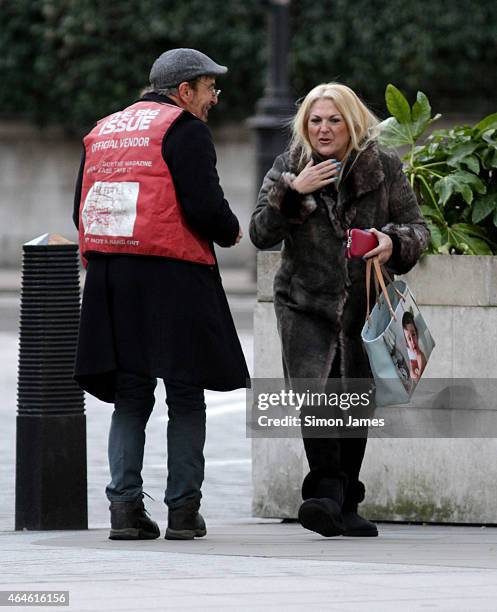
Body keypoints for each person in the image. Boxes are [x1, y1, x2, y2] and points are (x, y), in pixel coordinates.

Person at [73, 48, 250, 541]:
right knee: (186, 393)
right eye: (210, 87)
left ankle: (124, 511)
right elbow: (201, 202)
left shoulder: (104, 130)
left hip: (112, 277)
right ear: (184, 90)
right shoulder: (185, 129)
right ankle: (182, 512)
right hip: (173, 276)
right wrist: (230, 228)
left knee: (131, 396)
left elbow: (79, 209)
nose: (215, 97)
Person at [249, 82, 429, 538]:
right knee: (319, 401)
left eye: (333, 120)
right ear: (303, 126)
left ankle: (345, 503)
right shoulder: (289, 166)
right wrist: (294, 193)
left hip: (365, 309)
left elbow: (417, 228)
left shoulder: (383, 167)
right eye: (315, 120)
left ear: (352, 124)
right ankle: (325, 494)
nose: (323, 129)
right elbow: (260, 233)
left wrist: (392, 241)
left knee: (355, 406)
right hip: (305, 305)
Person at [402, 311, 427, 381]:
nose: (413, 341)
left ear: (417, 333)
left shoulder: (420, 356)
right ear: (406, 343)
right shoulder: (410, 354)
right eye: (409, 339)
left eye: (413, 334)